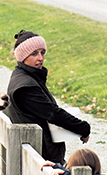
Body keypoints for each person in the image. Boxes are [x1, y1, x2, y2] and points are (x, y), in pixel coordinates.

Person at [7, 30, 90, 164]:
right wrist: (83, 128)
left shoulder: (25, 76)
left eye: (42, 52)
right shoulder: (26, 87)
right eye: (34, 54)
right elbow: (53, 113)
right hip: (39, 157)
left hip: (35, 152)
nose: (40, 58)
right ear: (22, 56)